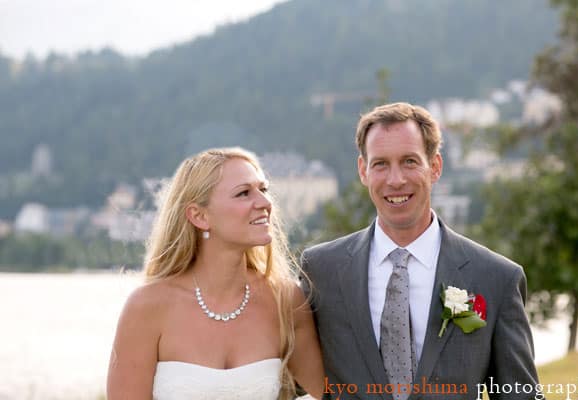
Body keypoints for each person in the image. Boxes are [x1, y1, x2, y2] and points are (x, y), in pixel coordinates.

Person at [301, 102, 541, 399]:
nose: (396, 179)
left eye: (410, 162)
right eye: (381, 164)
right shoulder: (321, 271)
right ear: (363, 171)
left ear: (435, 167)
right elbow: (287, 375)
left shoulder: (496, 278)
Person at [107, 147, 324, 400]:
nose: (265, 203)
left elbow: (331, 394)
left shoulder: (285, 300)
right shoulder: (147, 307)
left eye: (263, 190)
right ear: (199, 216)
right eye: (244, 193)